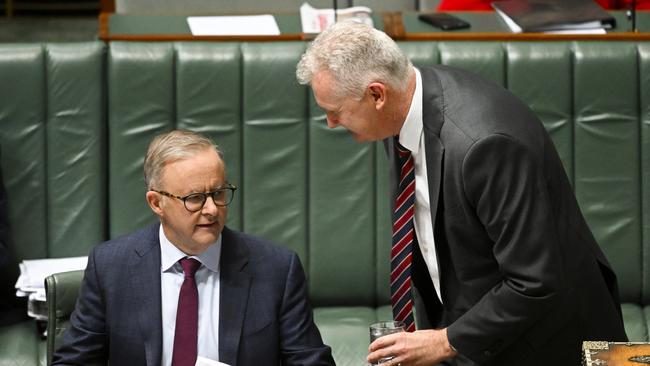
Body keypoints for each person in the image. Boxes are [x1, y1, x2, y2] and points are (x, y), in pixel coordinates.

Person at [296, 21, 627, 366]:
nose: (331, 123)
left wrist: (445, 341)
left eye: (334, 112)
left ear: (377, 95)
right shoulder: (402, 110)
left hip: (552, 345)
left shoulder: (484, 145)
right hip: (479, 335)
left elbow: (535, 281)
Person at [52, 130, 334, 366]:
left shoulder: (276, 269)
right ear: (156, 202)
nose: (212, 210)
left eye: (219, 193)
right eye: (195, 198)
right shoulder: (110, 267)